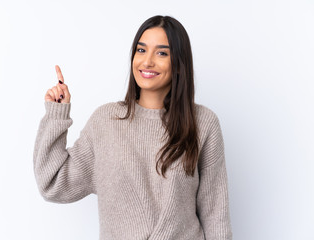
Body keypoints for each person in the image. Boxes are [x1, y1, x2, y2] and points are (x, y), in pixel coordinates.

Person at [33, 15, 233, 240]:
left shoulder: (203, 123)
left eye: (162, 53)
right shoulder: (106, 122)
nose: (147, 61)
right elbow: (53, 184)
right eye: (141, 50)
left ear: (179, 64)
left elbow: (216, 216)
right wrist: (56, 115)